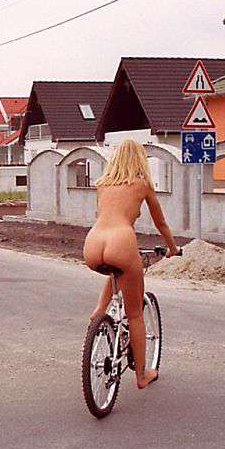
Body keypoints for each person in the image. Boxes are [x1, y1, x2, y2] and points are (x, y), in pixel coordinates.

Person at [83, 139, 179, 389]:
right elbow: (160, 223)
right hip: (121, 241)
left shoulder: (102, 184)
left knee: (115, 272)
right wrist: (172, 248)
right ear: (140, 160)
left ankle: (99, 311)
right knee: (135, 314)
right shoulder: (142, 184)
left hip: (93, 243)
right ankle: (141, 376)